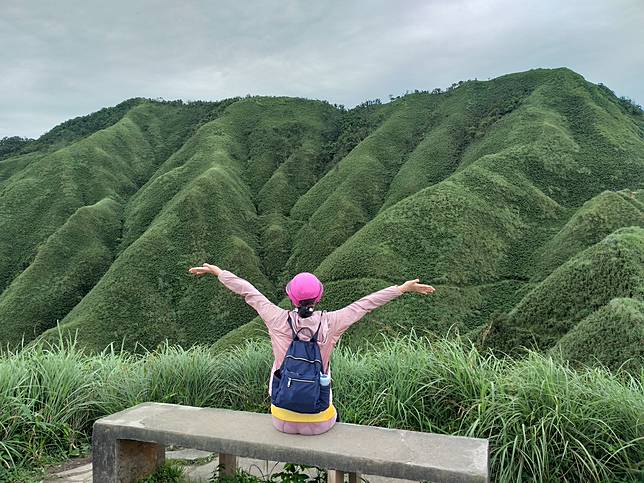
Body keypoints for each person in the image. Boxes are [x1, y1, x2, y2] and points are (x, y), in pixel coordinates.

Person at [188, 263, 435, 435]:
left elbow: (247, 291)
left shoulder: (276, 319)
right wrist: (401, 289)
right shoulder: (332, 322)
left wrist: (217, 272)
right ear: (318, 299)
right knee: (332, 405)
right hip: (319, 421)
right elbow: (365, 305)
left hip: (280, 417)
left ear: (291, 299)